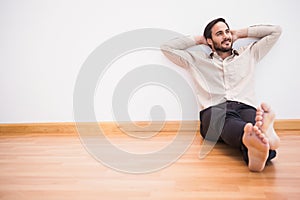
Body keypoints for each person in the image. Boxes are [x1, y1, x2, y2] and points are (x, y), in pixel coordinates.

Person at [160, 18, 281, 172]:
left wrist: (239, 33)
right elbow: (166, 48)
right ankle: (262, 138)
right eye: (219, 33)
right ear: (210, 41)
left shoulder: (249, 53)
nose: (226, 36)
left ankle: (257, 150)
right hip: (214, 111)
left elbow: (276, 31)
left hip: (245, 107)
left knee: (253, 124)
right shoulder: (196, 60)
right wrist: (199, 40)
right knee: (237, 123)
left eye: (227, 31)